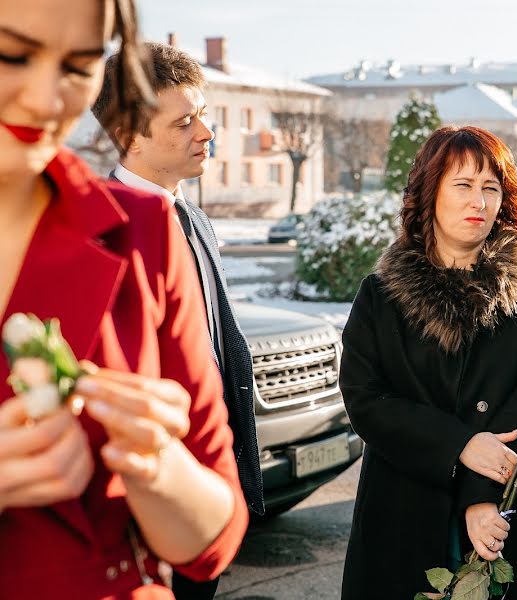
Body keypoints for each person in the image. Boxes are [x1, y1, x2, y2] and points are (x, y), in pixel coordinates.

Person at [0, 0, 248, 597]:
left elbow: (213, 536)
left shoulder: (143, 229)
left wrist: (156, 465)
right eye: (12, 55)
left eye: (78, 65)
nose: (44, 99)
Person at [339, 126, 517, 599]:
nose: (478, 201)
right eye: (462, 185)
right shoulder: (381, 297)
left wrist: (482, 497)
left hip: (508, 507)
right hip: (404, 511)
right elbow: (366, 399)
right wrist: (458, 444)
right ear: (429, 193)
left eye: (490, 188)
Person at [91, 41, 262, 600]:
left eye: (204, 116)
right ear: (129, 134)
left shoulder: (195, 220)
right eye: (185, 121)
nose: (205, 133)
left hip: (207, 502)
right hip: (146, 520)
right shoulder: (100, 235)